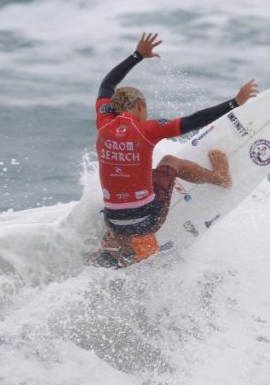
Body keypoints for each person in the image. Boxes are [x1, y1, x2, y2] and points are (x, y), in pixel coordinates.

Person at [93, 32, 258, 267]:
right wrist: (234, 103)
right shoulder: (146, 130)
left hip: (113, 219)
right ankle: (220, 177)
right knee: (170, 161)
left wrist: (136, 55)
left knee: (131, 181)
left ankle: (121, 247)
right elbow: (193, 121)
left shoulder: (103, 122)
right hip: (148, 219)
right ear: (140, 105)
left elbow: (107, 84)